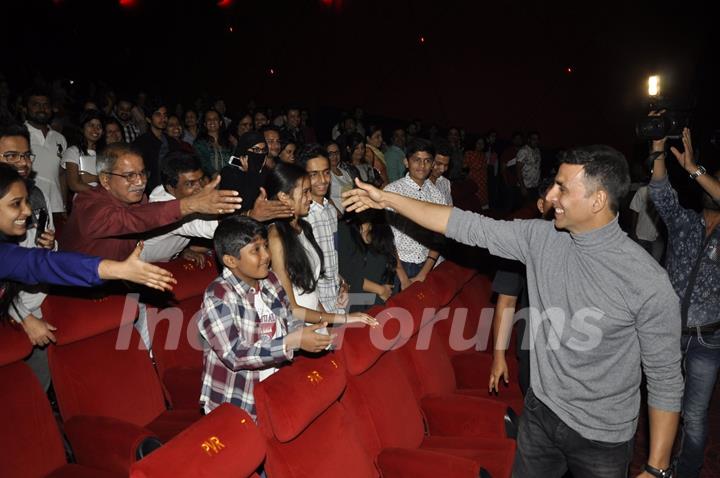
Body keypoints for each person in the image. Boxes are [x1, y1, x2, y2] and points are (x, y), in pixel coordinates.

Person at [343, 144, 683, 478]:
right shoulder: (540, 238)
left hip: (602, 437)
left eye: (562, 188)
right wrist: (386, 199)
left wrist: (656, 467)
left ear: (597, 200)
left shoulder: (647, 281)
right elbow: (463, 224)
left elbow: (665, 378)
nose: (550, 196)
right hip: (541, 413)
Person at [198, 215, 332, 419]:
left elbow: (288, 316)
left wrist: (306, 334)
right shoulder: (218, 296)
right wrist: (290, 342)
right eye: (256, 250)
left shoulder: (270, 280)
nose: (267, 255)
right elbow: (235, 354)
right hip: (238, 401)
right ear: (230, 260)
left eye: (266, 246)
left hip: (275, 386)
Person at [648, 127, 720, 478]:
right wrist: (659, 150)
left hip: (709, 339)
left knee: (694, 414)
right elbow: (660, 194)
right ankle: (657, 464)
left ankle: (686, 472)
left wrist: (694, 167)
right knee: (662, 403)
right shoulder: (685, 223)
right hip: (668, 332)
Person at [0, 164, 176, 307]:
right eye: (16, 204)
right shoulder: (89, 202)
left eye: (26, 202)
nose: (28, 210)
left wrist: (117, 270)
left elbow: (42, 263)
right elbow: (41, 264)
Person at [59, 142, 243, 260]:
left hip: (122, 282)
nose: (139, 182)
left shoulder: (140, 200)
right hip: (76, 292)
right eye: (130, 175)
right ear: (105, 179)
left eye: (142, 173)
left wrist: (178, 252)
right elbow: (127, 220)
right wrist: (191, 204)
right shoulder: (87, 202)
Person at [265, 163, 376, 328]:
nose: (310, 198)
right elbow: (292, 307)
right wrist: (344, 319)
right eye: (304, 192)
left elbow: (312, 290)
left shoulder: (304, 227)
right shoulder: (276, 238)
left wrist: (327, 322)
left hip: (317, 318)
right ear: (283, 197)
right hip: (297, 327)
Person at [488, 177, 555, 398]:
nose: (560, 206)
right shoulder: (521, 243)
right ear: (540, 205)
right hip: (533, 347)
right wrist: (499, 356)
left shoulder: (585, 243)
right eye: (553, 200)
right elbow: (506, 301)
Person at [383, 139, 444, 290]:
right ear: (406, 162)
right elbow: (386, 238)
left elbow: (439, 236)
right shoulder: (392, 192)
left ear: (432, 164)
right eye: (417, 160)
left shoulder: (437, 195)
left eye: (427, 161)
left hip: (426, 264)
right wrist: (403, 277)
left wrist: (424, 273)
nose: (422, 166)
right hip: (397, 264)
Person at [296, 144, 347, 315]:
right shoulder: (301, 216)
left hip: (336, 298)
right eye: (314, 174)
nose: (323, 180)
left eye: (326, 172)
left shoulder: (331, 210)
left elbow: (332, 253)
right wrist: (319, 309)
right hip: (315, 305)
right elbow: (301, 271)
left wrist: (341, 281)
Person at [141, 151, 218, 264]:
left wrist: (181, 251)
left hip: (165, 261)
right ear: (171, 187)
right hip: (138, 271)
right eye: (190, 184)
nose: (200, 188)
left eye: (201, 180)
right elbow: (215, 229)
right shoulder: (164, 209)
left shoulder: (167, 190)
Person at [218, 131, 293, 220]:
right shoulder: (229, 173)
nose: (260, 154)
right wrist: (249, 175)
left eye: (263, 150)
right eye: (256, 150)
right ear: (244, 149)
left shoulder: (265, 172)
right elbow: (241, 206)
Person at [338, 210, 397, 312]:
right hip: (354, 301)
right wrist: (380, 290)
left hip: (380, 300)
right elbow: (346, 273)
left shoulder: (381, 228)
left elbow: (391, 259)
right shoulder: (345, 228)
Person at [23, 87, 67, 215]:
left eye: (46, 105)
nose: (42, 109)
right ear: (25, 108)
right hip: (28, 206)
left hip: (56, 208)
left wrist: (64, 205)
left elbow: (62, 174)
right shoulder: (19, 135)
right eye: (36, 104)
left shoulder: (59, 138)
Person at [132, 99, 182, 192]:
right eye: (158, 115)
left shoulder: (172, 142)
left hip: (172, 190)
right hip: (150, 192)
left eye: (165, 115)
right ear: (148, 119)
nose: (163, 118)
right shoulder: (141, 143)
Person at [61, 109, 104, 193]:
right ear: (82, 128)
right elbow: (74, 185)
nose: (95, 129)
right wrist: (101, 193)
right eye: (91, 125)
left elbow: (113, 180)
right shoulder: (73, 151)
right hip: (84, 201)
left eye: (99, 126)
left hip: (106, 200)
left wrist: (95, 178)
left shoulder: (105, 153)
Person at [193, 109, 233, 178]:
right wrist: (214, 174)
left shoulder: (229, 142)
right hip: (209, 180)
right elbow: (203, 162)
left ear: (220, 122)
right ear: (205, 124)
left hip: (230, 178)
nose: (212, 121)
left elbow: (233, 159)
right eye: (208, 119)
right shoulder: (199, 143)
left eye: (215, 119)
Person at [326, 140, 353, 215]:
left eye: (337, 152)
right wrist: (338, 214)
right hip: (338, 216)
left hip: (351, 214)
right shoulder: (326, 174)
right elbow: (326, 198)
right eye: (330, 154)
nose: (334, 156)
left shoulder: (345, 172)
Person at [430, 140, 453, 206]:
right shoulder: (419, 183)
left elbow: (449, 208)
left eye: (446, 165)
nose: (442, 169)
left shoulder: (445, 183)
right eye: (438, 163)